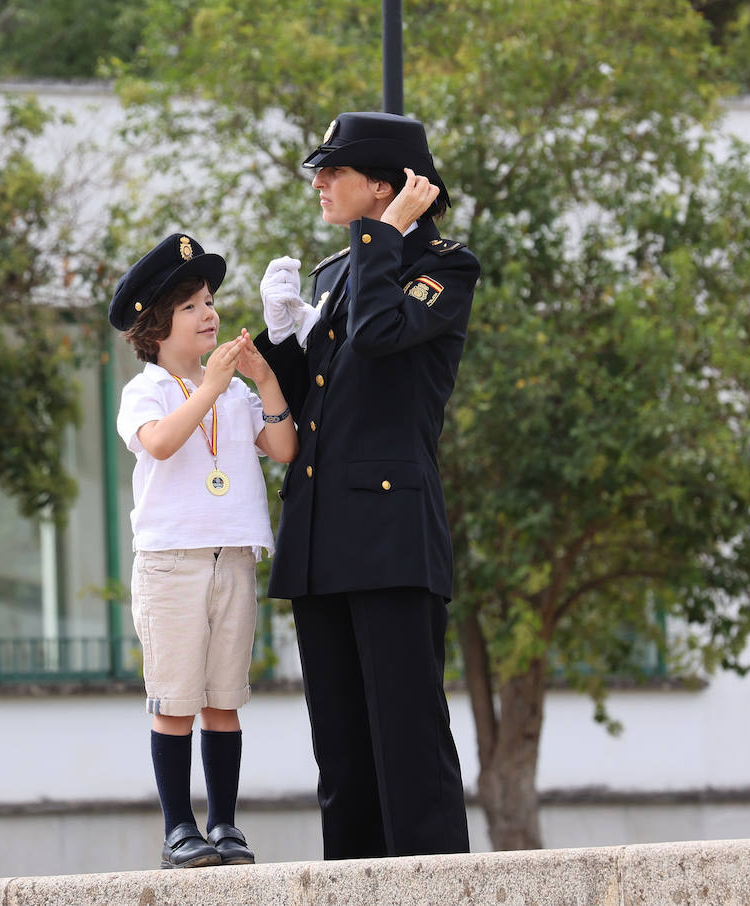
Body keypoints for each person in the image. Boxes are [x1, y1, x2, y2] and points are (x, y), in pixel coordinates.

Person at [253, 111, 478, 859]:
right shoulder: (341, 272)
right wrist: (282, 340)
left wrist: (384, 236)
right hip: (323, 536)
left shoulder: (444, 267)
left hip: (390, 537)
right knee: (343, 758)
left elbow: (382, 338)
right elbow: (315, 404)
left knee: (408, 747)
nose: (318, 183)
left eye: (335, 171)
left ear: (388, 187)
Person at [109, 233, 297, 869]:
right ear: (155, 327)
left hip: (233, 558)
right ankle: (177, 828)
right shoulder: (150, 389)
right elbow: (159, 443)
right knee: (175, 699)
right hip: (171, 564)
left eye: (210, 300)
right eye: (190, 305)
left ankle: (224, 824)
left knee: (224, 699)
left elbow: (284, 449)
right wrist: (212, 388)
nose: (209, 313)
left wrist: (264, 380)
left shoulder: (237, 394)